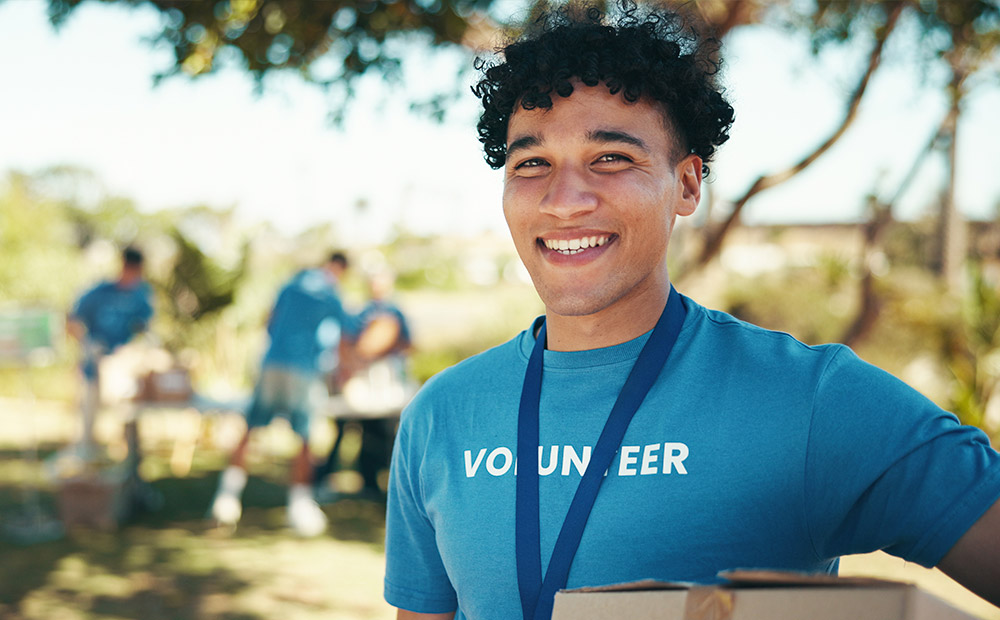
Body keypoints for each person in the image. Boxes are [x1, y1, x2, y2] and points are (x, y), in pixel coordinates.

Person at [382, 3, 1000, 619]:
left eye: (611, 158)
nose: (564, 200)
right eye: (532, 163)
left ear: (686, 185)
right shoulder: (441, 415)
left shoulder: (809, 400)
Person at [211, 252, 359, 537]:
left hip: (272, 363)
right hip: (303, 369)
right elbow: (346, 336)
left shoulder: (291, 284)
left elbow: (270, 320)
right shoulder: (331, 292)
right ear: (340, 269)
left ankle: (226, 499)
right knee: (304, 436)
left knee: (251, 427)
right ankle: (299, 506)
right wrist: (345, 370)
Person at [316, 269, 413, 497]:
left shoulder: (396, 312)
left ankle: (381, 483)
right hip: (363, 381)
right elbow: (348, 343)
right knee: (353, 425)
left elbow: (407, 343)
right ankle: (358, 480)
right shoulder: (362, 312)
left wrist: (381, 348)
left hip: (386, 380)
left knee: (384, 430)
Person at [67, 245, 153, 460]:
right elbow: (71, 320)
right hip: (95, 364)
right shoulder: (99, 292)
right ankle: (86, 461)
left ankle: (129, 460)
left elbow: (145, 328)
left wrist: (136, 349)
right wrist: (87, 343)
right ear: (123, 265)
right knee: (89, 417)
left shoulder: (141, 295)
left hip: (124, 367)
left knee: (127, 412)